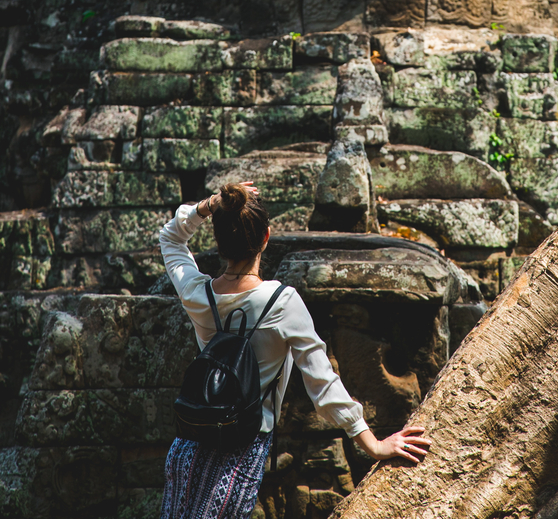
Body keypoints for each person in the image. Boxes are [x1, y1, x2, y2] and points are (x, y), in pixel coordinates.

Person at [158, 181, 431, 518]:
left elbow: (170, 238)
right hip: (239, 452)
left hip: (187, 449)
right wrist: (373, 444)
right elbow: (322, 381)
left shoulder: (197, 294)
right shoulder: (282, 302)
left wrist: (211, 205)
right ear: (266, 238)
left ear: (218, 244)